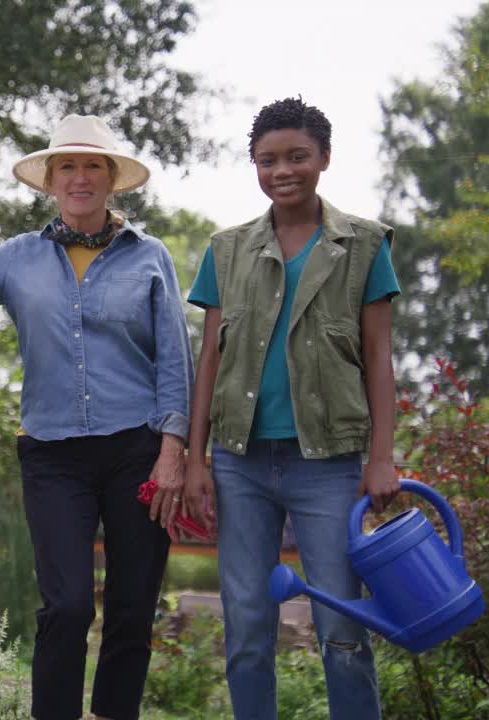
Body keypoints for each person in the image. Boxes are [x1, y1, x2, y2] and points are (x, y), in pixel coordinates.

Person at [0, 115, 194, 720]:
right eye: (68, 167)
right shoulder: (17, 258)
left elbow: (175, 361)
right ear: (51, 181)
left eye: (92, 166)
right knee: (69, 605)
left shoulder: (150, 256)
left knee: (133, 605)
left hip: (139, 448)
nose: (80, 177)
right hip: (52, 453)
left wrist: (173, 449)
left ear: (112, 181)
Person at [180, 96, 402, 720]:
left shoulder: (363, 244)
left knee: (342, 624)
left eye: (297, 156)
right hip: (238, 463)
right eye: (267, 159)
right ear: (254, 165)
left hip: (328, 465)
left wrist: (380, 457)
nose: (283, 170)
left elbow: (379, 354)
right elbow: (210, 360)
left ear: (324, 159)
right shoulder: (226, 250)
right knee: (248, 625)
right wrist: (196, 460)